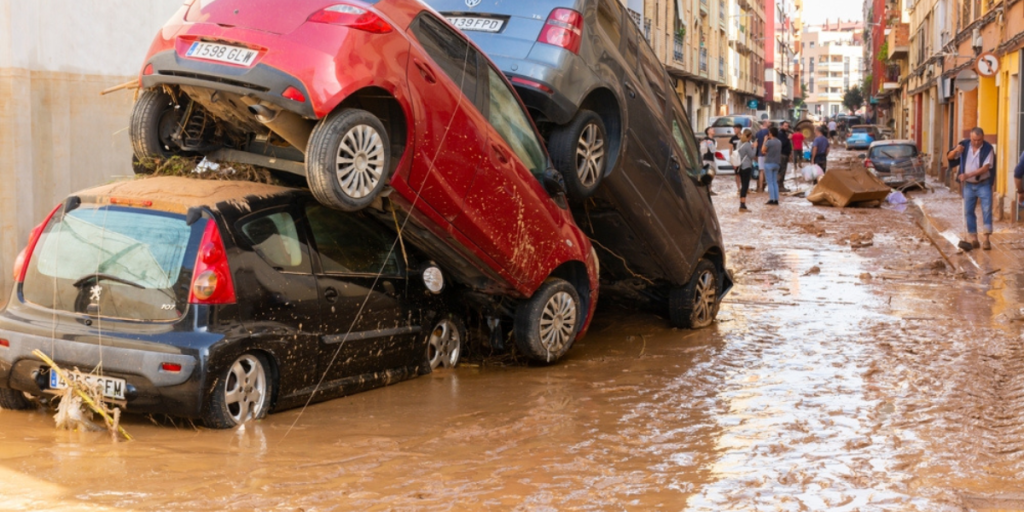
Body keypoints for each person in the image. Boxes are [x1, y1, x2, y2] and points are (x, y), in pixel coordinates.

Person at [946, 127, 995, 250]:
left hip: (984, 183)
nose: (977, 142)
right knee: (968, 211)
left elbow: (985, 168)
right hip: (968, 185)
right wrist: (956, 150)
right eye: (974, 140)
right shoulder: (964, 145)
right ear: (970, 138)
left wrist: (968, 175)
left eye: (979, 140)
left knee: (986, 210)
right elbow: (950, 157)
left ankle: (986, 239)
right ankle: (974, 238)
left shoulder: (988, 148)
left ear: (982, 138)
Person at [761, 126, 783, 205]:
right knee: (774, 182)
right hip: (777, 163)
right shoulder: (779, 142)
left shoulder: (769, 142)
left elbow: (763, 150)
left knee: (770, 182)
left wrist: (764, 140)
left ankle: (771, 199)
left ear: (770, 133)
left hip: (769, 163)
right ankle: (776, 199)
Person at [736, 129, 756, 212]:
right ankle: (742, 205)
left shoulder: (739, 143)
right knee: (745, 186)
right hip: (747, 167)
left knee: (743, 185)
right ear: (749, 136)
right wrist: (755, 147)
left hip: (740, 166)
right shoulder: (747, 144)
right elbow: (752, 155)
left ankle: (742, 204)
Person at [754, 120, 770, 192]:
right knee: (768, 171)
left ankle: (760, 187)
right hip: (767, 153)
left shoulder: (758, 133)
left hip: (760, 154)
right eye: (769, 122)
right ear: (765, 124)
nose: (770, 123)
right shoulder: (768, 132)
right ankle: (769, 187)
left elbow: (756, 143)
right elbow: (767, 142)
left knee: (761, 171)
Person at [778, 121, 793, 192]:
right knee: (781, 171)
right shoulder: (780, 134)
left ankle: (781, 185)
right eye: (785, 126)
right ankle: (779, 186)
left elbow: (788, 145)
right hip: (782, 154)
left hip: (786, 154)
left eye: (787, 126)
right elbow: (782, 144)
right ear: (781, 126)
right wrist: (788, 138)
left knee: (783, 171)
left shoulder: (785, 134)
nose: (786, 127)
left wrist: (790, 153)